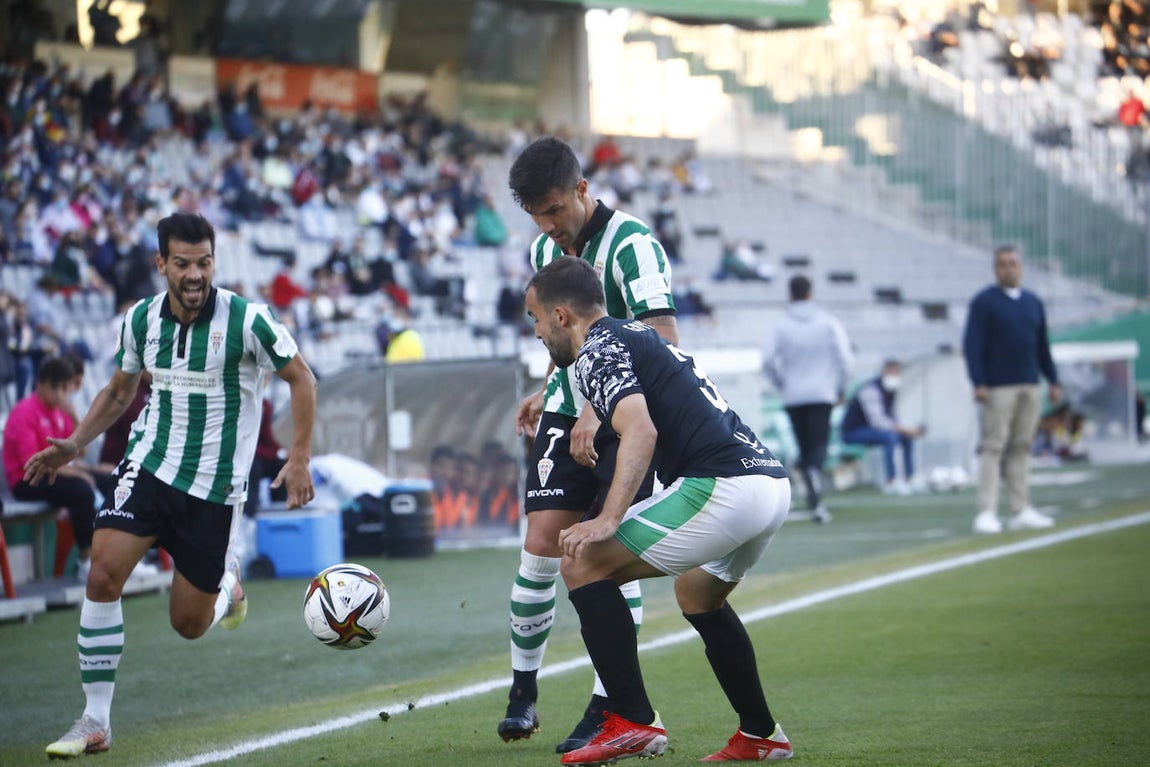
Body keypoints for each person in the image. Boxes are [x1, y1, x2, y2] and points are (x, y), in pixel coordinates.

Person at [25, 212, 317, 759]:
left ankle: (228, 589)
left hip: (214, 491)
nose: (194, 274)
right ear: (161, 263)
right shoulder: (140, 319)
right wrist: (76, 443)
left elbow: (301, 378)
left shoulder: (248, 320)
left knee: (187, 623)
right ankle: (95, 719)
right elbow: (119, 391)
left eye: (204, 262)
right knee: (102, 572)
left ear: (214, 262)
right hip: (149, 466)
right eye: (182, 263)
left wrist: (299, 456)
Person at [524, 257, 793, 765]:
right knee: (698, 594)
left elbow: (640, 430)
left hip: (725, 487)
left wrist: (607, 519)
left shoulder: (596, 349)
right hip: (769, 482)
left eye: (535, 318)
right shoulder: (634, 334)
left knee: (582, 563)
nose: (536, 331)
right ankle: (761, 734)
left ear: (561, 315)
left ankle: (634, 720)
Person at [500, 135, 678, 752]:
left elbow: (663, 338)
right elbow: (564, 331)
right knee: (541, 545)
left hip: (624, 418)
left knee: (608, 552)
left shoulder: (633, 245)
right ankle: (523, 692)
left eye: (554, 209)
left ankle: (611, 703)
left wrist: (594, 406)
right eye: (536, 215)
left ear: (581, 189)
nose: (548, 226)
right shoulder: (543, 249)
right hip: (566, 408)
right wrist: (548, 384)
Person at [962, 245, 1060, 535]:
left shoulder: (1032, 302)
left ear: (1021, 267)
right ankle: (987, 511)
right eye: (1002, 264)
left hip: (1029, 382)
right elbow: (972, 345)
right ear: (995, 269)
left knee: (1022, 446)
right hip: (998, 386)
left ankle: (1021, 507)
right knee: (993, 447)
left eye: (1013, 263)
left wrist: (1052, 379)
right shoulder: (984, 302)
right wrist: (978, 381)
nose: (1008, 268)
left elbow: (1042, 344)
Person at [761, 275, 853, 523]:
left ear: (790, 294)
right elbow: (845, 359)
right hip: (822, 392)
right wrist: (841, 388)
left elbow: (767, 360)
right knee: (819, 442)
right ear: (811, 292)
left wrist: (782, 383)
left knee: (804, 444)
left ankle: (812, 489)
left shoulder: (781, 325)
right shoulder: (827, 322)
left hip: (794, 393)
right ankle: (813, 475)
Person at [2, 357, 101, 573]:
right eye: (54, 387)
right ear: (39, 384)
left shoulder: (60, 413)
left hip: (51, 475)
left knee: (109, 482)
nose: (60, 394)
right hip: (26, 481)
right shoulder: (24, 412)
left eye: (64, 388)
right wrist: (75, 472)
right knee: (81, 491)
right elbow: (34, 464)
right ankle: (86, 561)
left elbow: (81, 452)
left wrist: (73, 416)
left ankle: (114, 558)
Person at [839, 359, 925, 494]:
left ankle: (910, 478)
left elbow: (893, 417)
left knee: (906, 438)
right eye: (891, 371)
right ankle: (891, 481)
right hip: (853, 432)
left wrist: (908, 430)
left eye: (897, 372)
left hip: (873, 431)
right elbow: (877, 421)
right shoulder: (870, 389)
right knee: (890, 437)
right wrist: (905, 430)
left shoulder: (891, 391)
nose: (895, 375)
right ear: (884, 372)